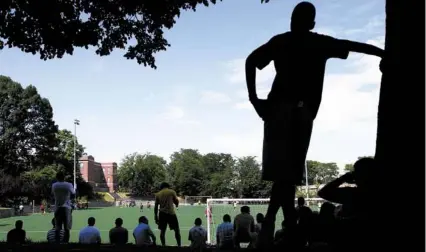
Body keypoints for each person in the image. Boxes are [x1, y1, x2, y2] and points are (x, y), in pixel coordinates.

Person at [244, 1, 384, 247]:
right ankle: (276, 224)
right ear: (312, 23)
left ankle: (284, 225)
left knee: (284, 177)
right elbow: (355, 45)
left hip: (276, 110)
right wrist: (382, 53)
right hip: (300, 112)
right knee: (287, 176)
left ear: (292, 20)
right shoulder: (318, 42)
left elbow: (251, 60)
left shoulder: (281, 41)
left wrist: (255, 99)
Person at [154, 182, 181, 247]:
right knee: (176, 230)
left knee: (162, 231)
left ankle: (163, 245)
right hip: (171, 213)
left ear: (161, 186)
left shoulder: (158, 194)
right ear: (167, 186)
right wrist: (176, 204)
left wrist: (155, 216)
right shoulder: (172, 192)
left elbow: (156, 206)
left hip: (162, 214)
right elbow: (176, 201)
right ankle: (179, 245)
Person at [52, 171, 75, 243]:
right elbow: (73, 193)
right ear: (64, 177)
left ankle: (57, 244)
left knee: (57, 227)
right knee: (67, 228)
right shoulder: (68, 185)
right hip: (66, 208)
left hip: (57, 207)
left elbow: (52, 194)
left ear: (57, 177)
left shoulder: (54, 185)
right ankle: (66, 243)